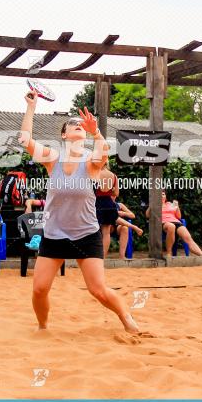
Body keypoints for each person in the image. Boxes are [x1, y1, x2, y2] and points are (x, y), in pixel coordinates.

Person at [19, 87, 139, 333]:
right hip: (54, 234)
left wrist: (96, 132)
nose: (77, 125)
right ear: (63, 135)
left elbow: (103, 153)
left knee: (98, 290)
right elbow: (25, 140)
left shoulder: (90, 162)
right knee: (39, 288)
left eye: (80, 125)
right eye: (71, 124)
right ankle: (43, 326)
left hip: (85, 234)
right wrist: (31, 107)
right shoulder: (53, 159)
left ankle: (126, 318)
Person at [146, 191, 202, 256]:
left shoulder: (170, 204)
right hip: (164, 223)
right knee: (171, 226)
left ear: (165, 196)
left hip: (176, 222)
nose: (162, 196)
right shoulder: (155, 206)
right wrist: (151, 206)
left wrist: (177, 207)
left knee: (188, 239)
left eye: (163, 194)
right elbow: (148, 215)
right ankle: (169, 252)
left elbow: (179, 216)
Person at [95, 166, 120, 258]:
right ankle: (103, 256)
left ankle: (94, 255)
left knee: (94, 230)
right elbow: (116, 193)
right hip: (109, 204)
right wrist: (110, 191)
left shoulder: (95, 173)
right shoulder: (114, 176)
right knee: (106, 232)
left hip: (97, 204)